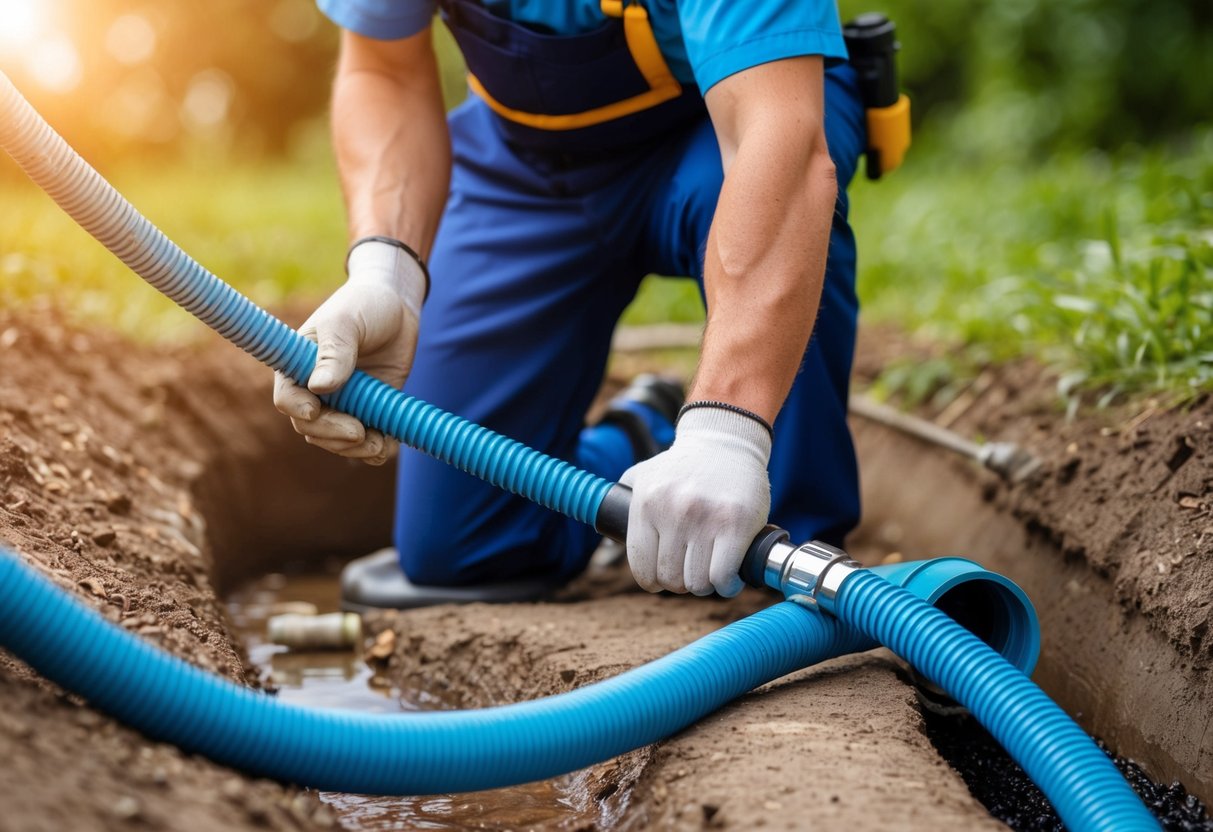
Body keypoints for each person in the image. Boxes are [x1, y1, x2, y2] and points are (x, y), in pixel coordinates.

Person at [274, 0, 865, 601]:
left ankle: (792, 548)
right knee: (464, 548)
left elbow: (774, 135)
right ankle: (644, 438)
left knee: (792, 204)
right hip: (524, 162)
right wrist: (386, 274)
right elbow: (383, 69)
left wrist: (725, 432)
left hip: (726, 131)